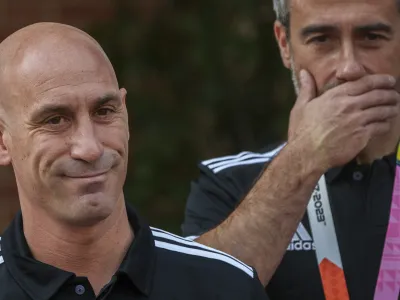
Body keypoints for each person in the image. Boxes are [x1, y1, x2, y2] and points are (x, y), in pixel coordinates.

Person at [0, 23, 267, 300]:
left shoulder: (225, 286)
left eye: (104, 111)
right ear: (2, 140)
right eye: (55, 120)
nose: (90, 148)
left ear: (125, 114)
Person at [181, 0, 400, 299]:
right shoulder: (228, 183)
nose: (349, 68)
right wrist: (303, 158)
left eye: (371, 37)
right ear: (285, 45)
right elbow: (198, 290)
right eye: (322, 39)